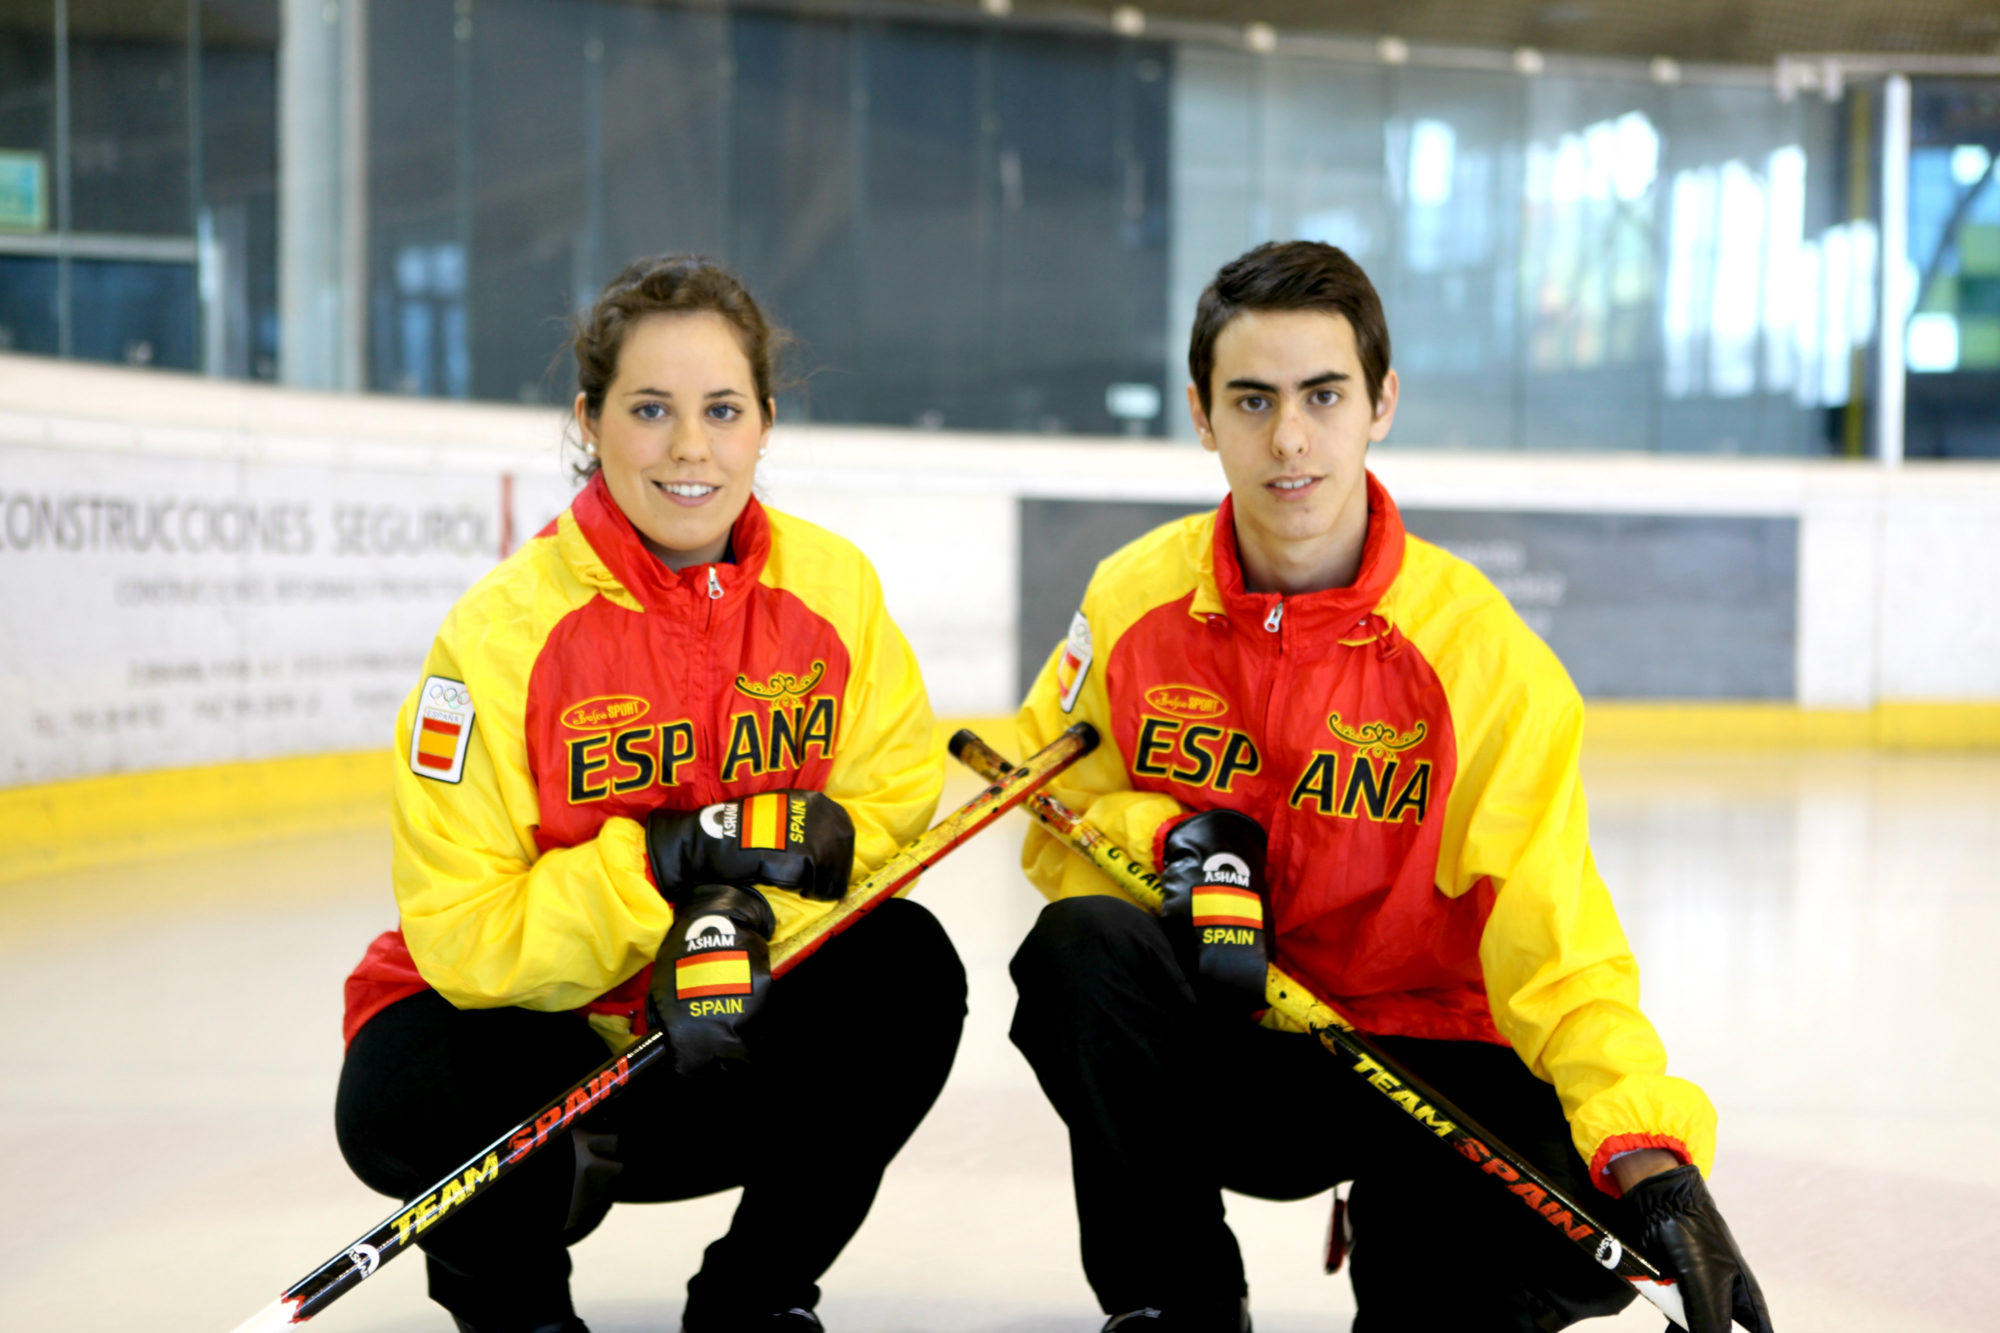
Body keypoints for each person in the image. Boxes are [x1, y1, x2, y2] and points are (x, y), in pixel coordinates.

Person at [1009, 241, 1773, 1333]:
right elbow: (1047, 810)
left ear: (1379, 403)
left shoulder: (1478, 656)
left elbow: (1553, 936)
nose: (1287, 438)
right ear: (1200, 413)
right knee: (1080, 952)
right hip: (1246, 1045)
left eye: (1322, 395)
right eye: (1251, 399)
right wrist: (1169, 841)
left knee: (1577, 1226)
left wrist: (1648, 1154)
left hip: (1432, 1067)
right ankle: (1173, 1303)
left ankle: (1414, 1246)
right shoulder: (1133, 599)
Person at [335, 255, 961, 1333]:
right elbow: (460, 928)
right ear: (589, 420)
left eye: (721, 409)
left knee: (905, 967)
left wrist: (740, 918)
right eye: (649, 409)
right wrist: (660, 867)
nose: (689, 447)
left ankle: (754, 1298)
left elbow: (890, 802)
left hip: (726, 1028)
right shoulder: (500, 635)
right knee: (404, 1084)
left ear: (765, 421)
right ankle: (517, 1308)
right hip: (545, 1055)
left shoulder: (833, 589)